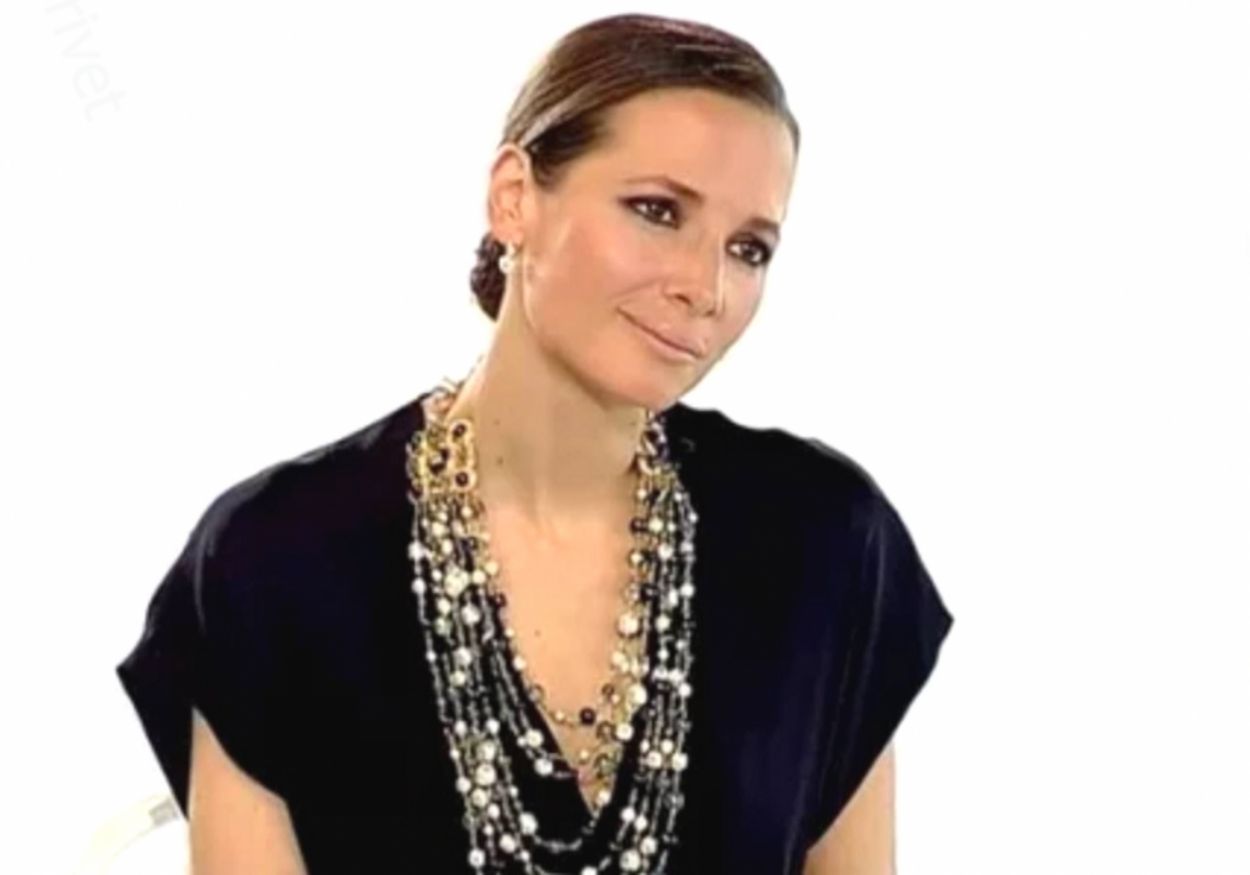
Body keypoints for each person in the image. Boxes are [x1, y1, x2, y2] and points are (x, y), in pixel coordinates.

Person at [115, 12, 954, 875]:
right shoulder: (276, 560)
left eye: (749, 249)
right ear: (514, 196)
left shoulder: (824, 543)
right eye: (657, 210)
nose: (705, 286)